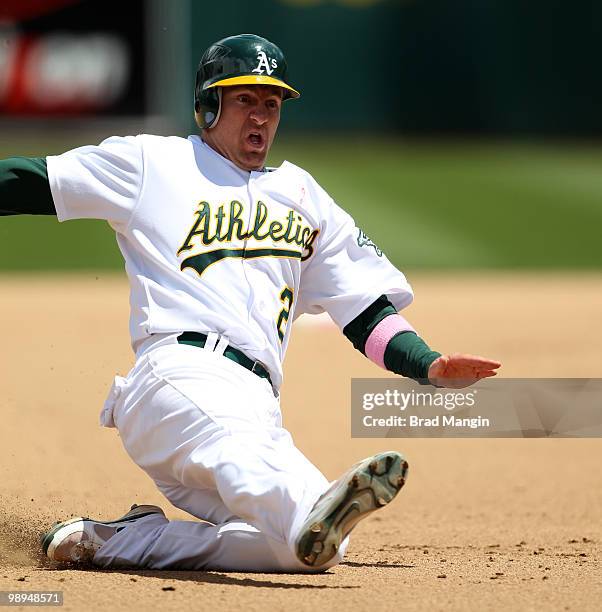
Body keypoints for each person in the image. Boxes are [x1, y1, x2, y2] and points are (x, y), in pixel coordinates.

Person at [0, 34, 500, 572]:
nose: (261, 116)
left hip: (258, 406)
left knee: (309, 546)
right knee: (288, 497)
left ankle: (118, 542)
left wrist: (428, 364)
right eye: (245, 100)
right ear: (208, 105)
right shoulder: (153, 162)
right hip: (177, 378)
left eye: (272, 103)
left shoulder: (304, 197)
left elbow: (363, 312)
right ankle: (297, 501)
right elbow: (32, 180)